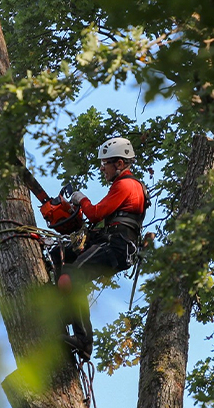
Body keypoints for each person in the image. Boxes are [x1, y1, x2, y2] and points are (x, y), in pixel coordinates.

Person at [55, 137, 150, 359]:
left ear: (119, 163)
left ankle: (83, 341)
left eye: (105, 163)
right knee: (60, 254)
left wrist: (82, 199)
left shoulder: (126, 185)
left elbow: (97, 213)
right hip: (110, 241)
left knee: (73, 274)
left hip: (117, 245)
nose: (102, 168)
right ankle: (64, 309)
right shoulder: (124, 186)